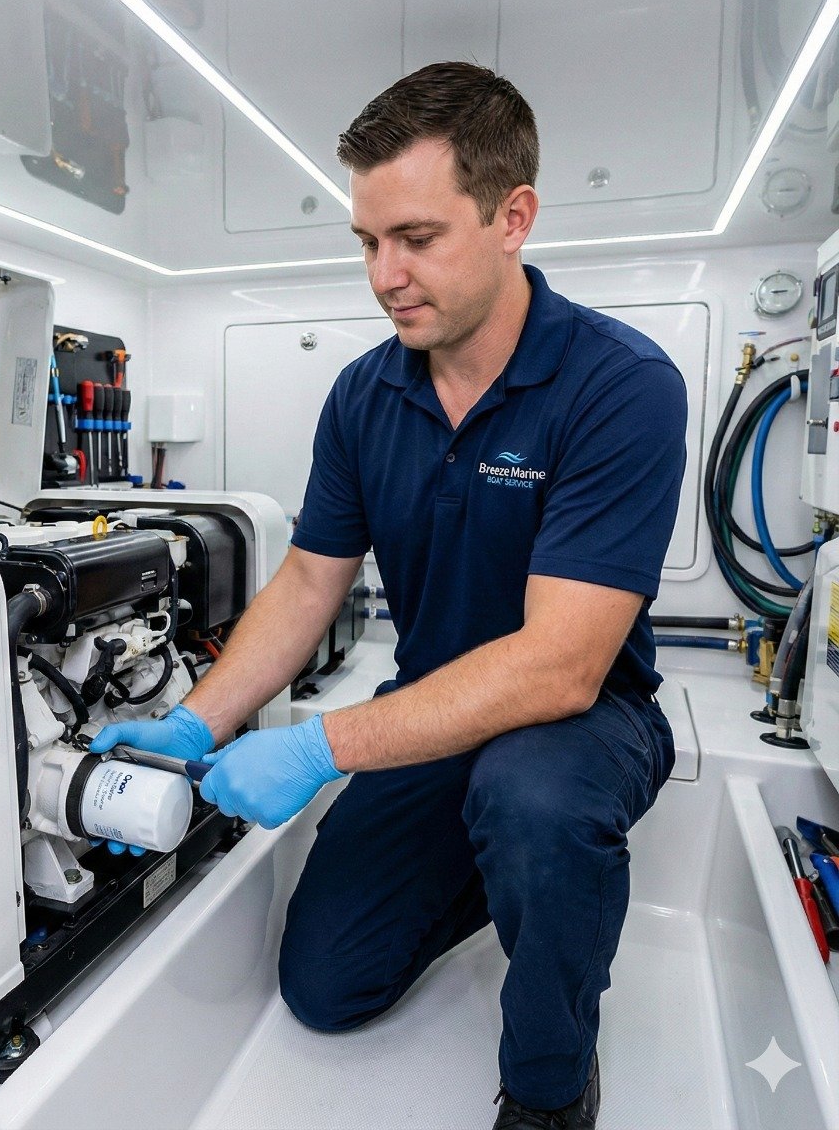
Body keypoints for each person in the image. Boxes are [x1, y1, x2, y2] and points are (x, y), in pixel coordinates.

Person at [92, 61, 687, 1130]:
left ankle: (553, 1089)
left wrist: (321, 749)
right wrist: (194, 720)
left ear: (514, 218)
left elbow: (560, 663)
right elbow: (311, 582)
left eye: (416, 238)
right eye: (368, 242)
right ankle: (498, 860)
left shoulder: (619, 385)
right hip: (436, 715)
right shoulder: (366, 393)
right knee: (326, 988)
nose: (385, 274)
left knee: (535, 801)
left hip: (586, 720)